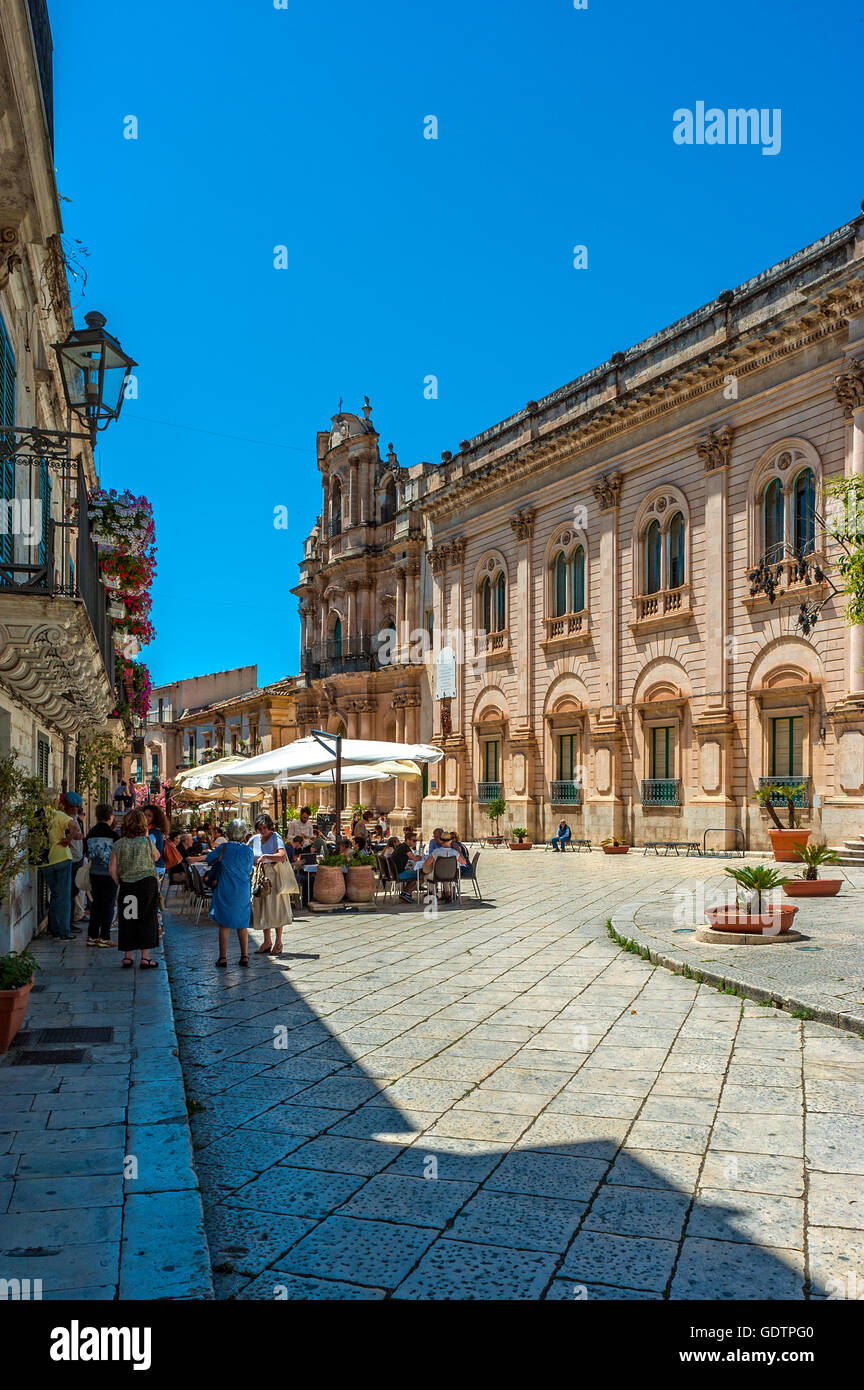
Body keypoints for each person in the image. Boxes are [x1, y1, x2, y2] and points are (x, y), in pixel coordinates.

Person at [109, 808, 160, 968]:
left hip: (127, 886)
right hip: (146, 884)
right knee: (147, 919)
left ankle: (128, 956)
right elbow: (157, 857)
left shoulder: (118, 844)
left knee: (128, 919)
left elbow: (112, 869)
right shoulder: (147, 842)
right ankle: (145, 957)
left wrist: (121, 881)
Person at [207, 818, 254, 968]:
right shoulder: (248, 850)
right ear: (244, 834)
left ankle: (222, 957)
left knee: (224, 924)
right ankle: (244, 955)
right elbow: (249, 869)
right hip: (242, 890)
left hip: (226, 889)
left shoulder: (223, 848)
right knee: (242, 925)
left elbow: (209, 859)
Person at [40, 789, 83, 940]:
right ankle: (64, 931)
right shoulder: (59, 815)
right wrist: (68, 839)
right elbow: (75, 828)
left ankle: (52, 927)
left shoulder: (39, 815)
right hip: (62, 858)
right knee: (64, 897)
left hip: (45, 861)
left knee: (55, 895)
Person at [249, 813, 293, 956]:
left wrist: (266, 856)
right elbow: (246, 853)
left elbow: (282, 856)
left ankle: (278, 942)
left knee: (276, 908)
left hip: (273, 878)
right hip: (259, 877)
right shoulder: (254, 839)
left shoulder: (276, 838)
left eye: (265, 828)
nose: (263, 831)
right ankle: (267, 941)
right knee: (262, 908)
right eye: (260, 828)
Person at [85, 804, 119, 947]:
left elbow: (87, 853)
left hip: (94, 872)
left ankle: (92, 936)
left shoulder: (91, 833)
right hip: (109, 873)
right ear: (110, 816)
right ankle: (105, 936)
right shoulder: (113, 835)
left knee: (96, 904)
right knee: (108, 905)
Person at [63, 792, 86, 923]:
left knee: (75, 890)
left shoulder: (76, 818)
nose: (75, 809)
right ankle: (69, 921)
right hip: (69, 859)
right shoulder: (65, 819)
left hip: (78, 857)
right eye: (72, 807)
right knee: (69, 892)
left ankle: (71, 920)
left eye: (77, 807)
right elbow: (75, 836)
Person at [390, 831, 423, 902]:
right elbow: (415, 859)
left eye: (416, 841)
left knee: (413, 873)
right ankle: (407, 893)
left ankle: (405, 893)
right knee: (421, 876)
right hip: (399, 873)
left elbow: (407, 857)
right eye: (414, 840)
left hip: (395, 872)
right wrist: (420, 857)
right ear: (407, 840)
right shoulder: (405, 848)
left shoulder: (401, 846)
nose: (415, 842)